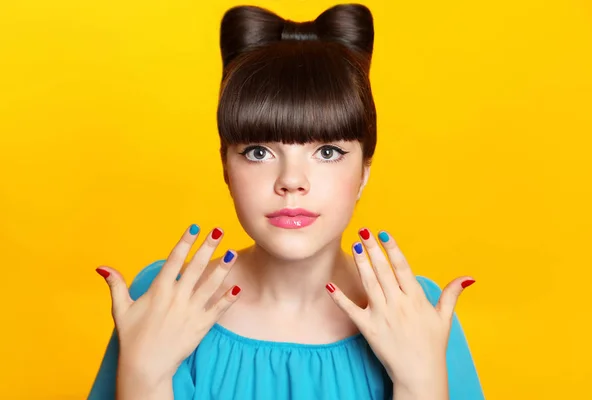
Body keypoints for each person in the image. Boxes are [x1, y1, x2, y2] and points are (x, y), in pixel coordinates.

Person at [88, 4, 484, 399]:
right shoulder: (168, 301)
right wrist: (143, 376)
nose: (291, 181)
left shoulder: (416, 311)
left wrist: (421, 383)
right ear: (226, 168)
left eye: (328, 152)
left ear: (364, 172)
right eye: (259, 152)